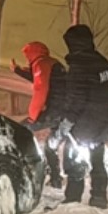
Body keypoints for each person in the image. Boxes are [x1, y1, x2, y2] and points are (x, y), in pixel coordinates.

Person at [56, 23, 108, 208]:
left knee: (73, 161)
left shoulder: (79, 65)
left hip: (83, 125)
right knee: (97, 161)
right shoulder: (103, 62)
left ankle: (73, 197)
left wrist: (68, 121)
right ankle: (99, 197)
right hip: (102, 122)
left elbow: (77, 97)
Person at [11, 42, 68, 189]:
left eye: (27, 55)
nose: (26, 59)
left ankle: (21, 171)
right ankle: (55, 178)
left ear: (33, 54)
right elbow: (39, 78)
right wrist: (18, 70)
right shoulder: (52, 63)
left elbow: (40, 88)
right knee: (51, 144)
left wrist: (33, 115)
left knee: (19, 131)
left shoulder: (41, 64)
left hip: (53, 110)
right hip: (64, 110)